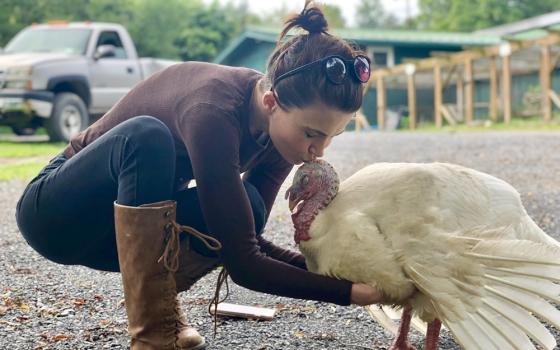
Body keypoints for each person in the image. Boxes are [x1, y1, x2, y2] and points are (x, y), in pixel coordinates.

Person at [15, 1, 383, 349]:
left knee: (249, 207)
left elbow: (243, 240)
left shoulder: (281, 136)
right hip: (55, 216)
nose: (318, 151)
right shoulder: (213, 108)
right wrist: (347, 294)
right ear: (272, 101)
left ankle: (157, 305)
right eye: (311, 134)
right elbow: (245, 265)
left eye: (331, 136)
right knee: (146, 136)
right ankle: (152, 331)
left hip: (117, 237)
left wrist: (348, 278)